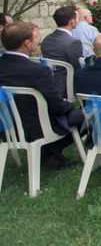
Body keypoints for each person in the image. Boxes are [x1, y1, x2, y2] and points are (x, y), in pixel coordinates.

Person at [0, 22, 84, 168]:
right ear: (27, 43)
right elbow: (57, 106)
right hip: (37, 127)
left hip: (6, 126)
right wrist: (69, 104)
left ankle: (48, 154)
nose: (39, 41)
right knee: (87, 115)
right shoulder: (37, 70)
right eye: (37, 37)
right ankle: (48, 152)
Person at [41, 5, 83, 99]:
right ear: (72, 21)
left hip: (48, 82)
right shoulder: (73, 42)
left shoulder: (47, 39)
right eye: (77, 19)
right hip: (66, 87)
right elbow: (77, 68)